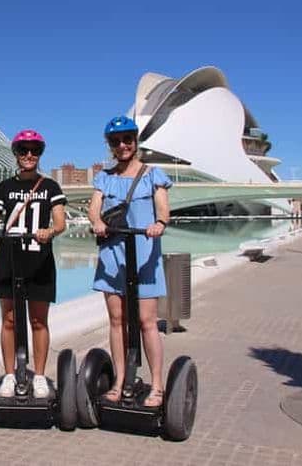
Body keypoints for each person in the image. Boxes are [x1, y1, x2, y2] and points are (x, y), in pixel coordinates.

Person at [88, 116, 172, 408]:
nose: (122, 146)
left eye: (127, 139)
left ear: (135, 141)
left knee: (147, 322)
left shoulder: (153, 174)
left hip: (145, 253)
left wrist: (159, 223)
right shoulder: (105, 177)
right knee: (117, 321)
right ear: (110, 145)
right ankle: (120, 380)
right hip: (113, 254)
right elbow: (94, 208)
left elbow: (163, 208)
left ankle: (157, 385)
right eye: (115, 141)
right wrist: (97, 222)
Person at [0, 129, 67, 399]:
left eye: (35, 150)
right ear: (16, 153)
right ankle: (9, 374)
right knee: (8, 320)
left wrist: (50, 231)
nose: (29, 155)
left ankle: (38, 375)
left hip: (39, 259)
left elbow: (60, 222)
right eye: (24, 150)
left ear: (40, 154)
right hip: (9, 259)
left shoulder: (50, 186)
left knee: (39, 321)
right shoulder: (5, 187)